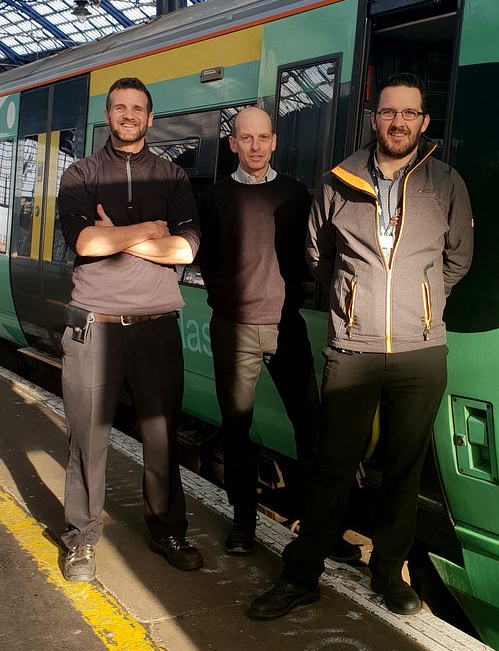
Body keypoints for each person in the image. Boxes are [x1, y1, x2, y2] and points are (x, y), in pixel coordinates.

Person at [249, 72, 473, 619]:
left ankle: (389, 575)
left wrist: (418, 305)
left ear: (424, 123)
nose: (398, 122)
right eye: (389, 112)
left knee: (403, 467)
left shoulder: (446, 183)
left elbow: (457, 257)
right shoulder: (338, 182)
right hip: (352, 351)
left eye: (409, 114)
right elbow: (318, 257)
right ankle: (301, 574)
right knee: (331, 465)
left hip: (421, 354)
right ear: (375, 119)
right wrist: (357, 303)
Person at [58, 77, 203, 582]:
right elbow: (84, 242)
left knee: (162, 437)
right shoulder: (80, 173)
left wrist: (117, 236)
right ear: (108, 115)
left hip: (156, 324)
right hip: (93, 327)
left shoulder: (172, 177)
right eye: (119, 108)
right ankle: (80, 538)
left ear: (150, 116)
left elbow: (185, 250)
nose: (128, 115)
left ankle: (167, 530)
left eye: (136, 108)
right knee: (87, 437)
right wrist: (148, 231)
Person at [197, 106, 322, 555]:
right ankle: (243, 524)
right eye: (245, 138)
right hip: (233, 329)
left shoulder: (295, 194)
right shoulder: (214, 198)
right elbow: (205, 261)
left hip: (286, 328)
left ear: (274, 142)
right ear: (233, 144)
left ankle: (321, 530)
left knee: (310, 426)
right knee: (236, 429)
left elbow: (308, 258)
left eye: (262, 138)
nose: (254, 146)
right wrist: (229, 303)